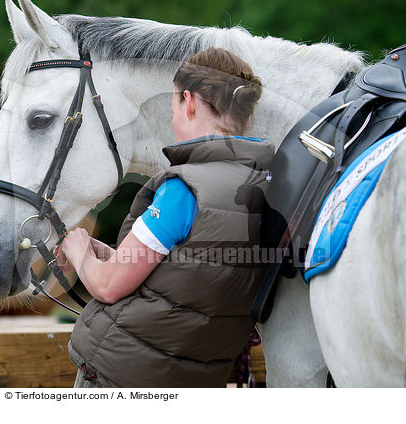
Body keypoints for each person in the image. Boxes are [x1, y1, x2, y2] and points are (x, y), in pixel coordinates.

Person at [54, 47, 275, 387]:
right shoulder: (267, 188)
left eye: (172, 105)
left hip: (123, 375)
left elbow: (108, 286)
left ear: (189, 101)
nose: (172, 118)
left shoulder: (184, 191)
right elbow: (185, 277)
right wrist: (108, 256)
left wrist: (78, 248)